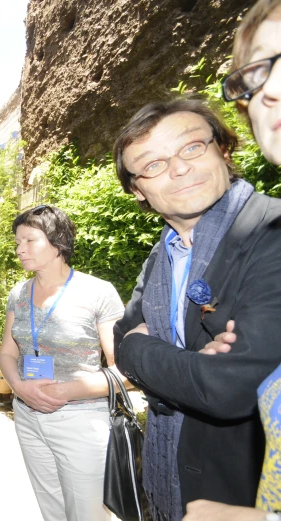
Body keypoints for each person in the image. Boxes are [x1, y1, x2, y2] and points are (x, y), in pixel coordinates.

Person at [112, 98, 281, 519]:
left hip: (240, 494)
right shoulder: (161, 256)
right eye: (152, 165)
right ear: (138, 191)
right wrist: (186, 364)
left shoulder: (272, 234)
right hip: (168, 477)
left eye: (191, 148)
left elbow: (228, 387)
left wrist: (140, 351)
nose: (178, 168)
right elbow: (121, 335)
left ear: (223, 149)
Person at [181, 2, 281, 518]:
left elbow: (228, 384)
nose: (271, 90)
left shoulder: (264, 230)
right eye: (260, 70)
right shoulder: (160, 257)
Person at [0, 205, 125, 521]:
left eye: (29, 240)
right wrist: (18, 387)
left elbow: (124, 370)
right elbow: (8, 354)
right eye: (17, 242)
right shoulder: (19, 293)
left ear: (58, 243)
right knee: (52, 511)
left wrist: (64, 391)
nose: (20, 249)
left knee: (87, 514)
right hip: (28, 416)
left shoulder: (97, 292)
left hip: (81, 420)